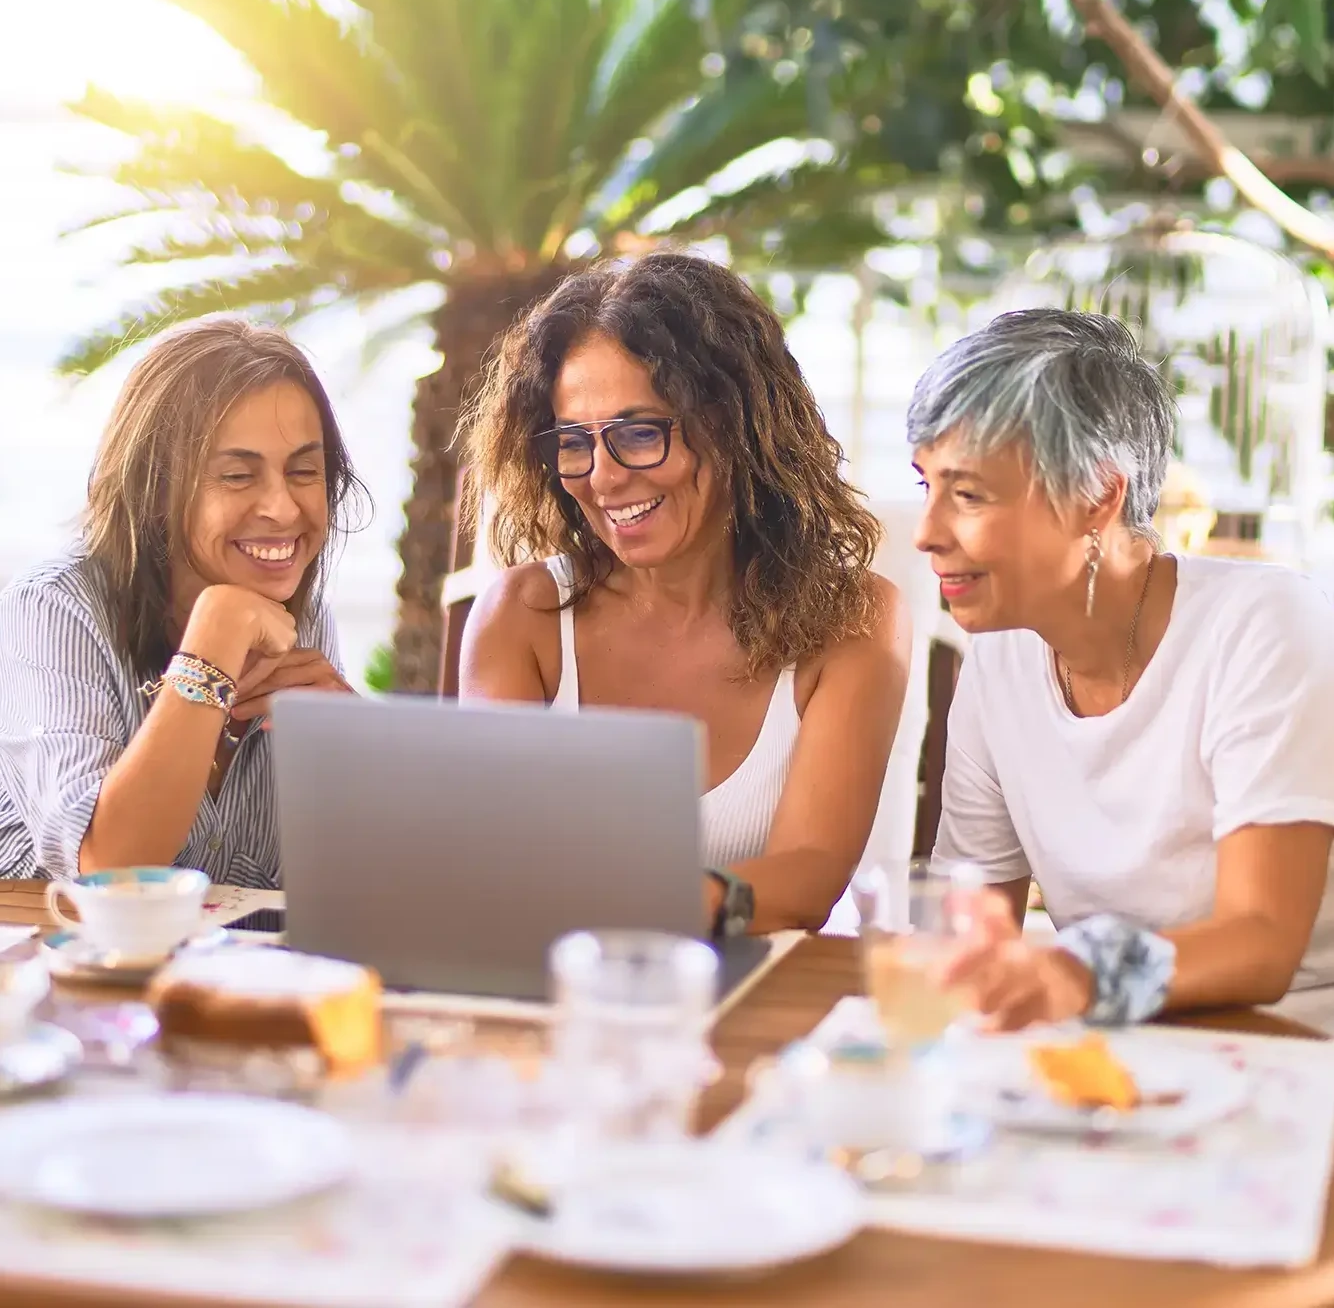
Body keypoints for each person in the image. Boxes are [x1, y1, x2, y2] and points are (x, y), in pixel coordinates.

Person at [459, 252, 911, 937]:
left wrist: (643, 904)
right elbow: (491, 853)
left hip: (759, 1016)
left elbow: (810, 874)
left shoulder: (855, 620)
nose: (603, 479)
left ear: (735, 424)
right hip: (561, 1000)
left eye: (639, 433)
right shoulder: (522, 618)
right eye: (573, 443)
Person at [911, 308, 1334, 1031]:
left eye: (969, 493)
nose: (926, 533)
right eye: (926, 486)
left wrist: (1073, 971)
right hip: (1109, 1046)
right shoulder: (1000, 656)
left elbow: (1262, 942)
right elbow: (971, 906)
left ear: (1098, 497)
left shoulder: (1265, 624)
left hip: (1289, 1044)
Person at [0, 319, 366, 887]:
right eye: (239, 475)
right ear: (155, 489)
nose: (283, 508)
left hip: (226, 974)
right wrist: (212, 642)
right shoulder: (54, 608)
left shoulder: (305, 618)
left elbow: (340, 887)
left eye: (304, 471)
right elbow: (108, 864)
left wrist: (351, 751)